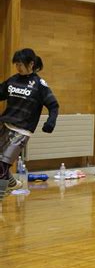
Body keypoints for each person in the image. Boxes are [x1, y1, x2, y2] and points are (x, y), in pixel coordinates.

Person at [0, 48, 59, 200]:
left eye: (20, 64)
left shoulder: (39, 84)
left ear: (31, 64)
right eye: (16, 65)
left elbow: (53, 105)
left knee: (3, 165)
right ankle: (12, 184)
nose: (18, 68)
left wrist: (50, 122)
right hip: (5, 125)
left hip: (22, 131)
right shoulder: (12, 80)